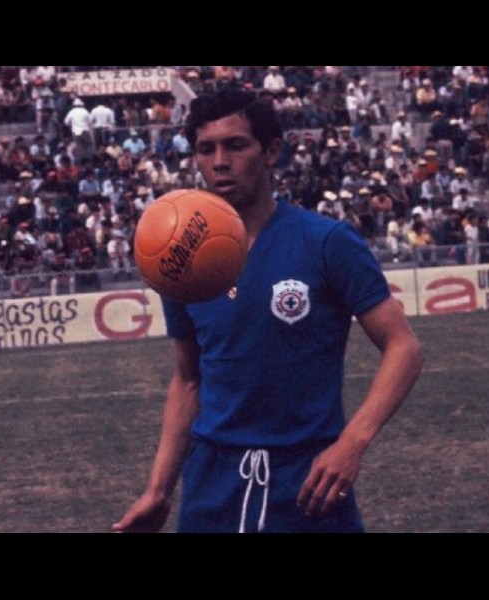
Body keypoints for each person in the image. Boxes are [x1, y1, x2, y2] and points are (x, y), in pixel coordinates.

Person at [113, 89, 422, 534]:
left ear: (271, 151)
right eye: (206, 149)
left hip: (311, 479)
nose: (220, 161)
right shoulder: (179, 257)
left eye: (236, 145)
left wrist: (352, 442)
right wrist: (158, 489)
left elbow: (403, 347)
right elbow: (188, 379)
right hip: (211, 483)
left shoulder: (326, 242)